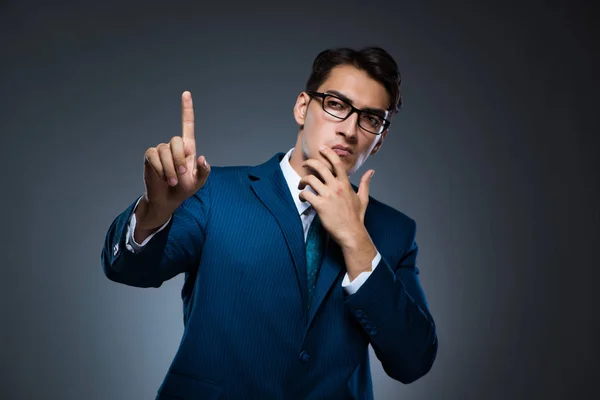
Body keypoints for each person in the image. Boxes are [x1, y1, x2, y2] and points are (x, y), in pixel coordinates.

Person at [101, 46, 438, 399]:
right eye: (336, 105)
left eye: (370, 119)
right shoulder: (214, 192)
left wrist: (356, 239)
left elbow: (413, 361)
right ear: (302, 108)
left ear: (380, 139)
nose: (351, 130)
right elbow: (128, 270)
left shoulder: (393, 231)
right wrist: (156, 210)